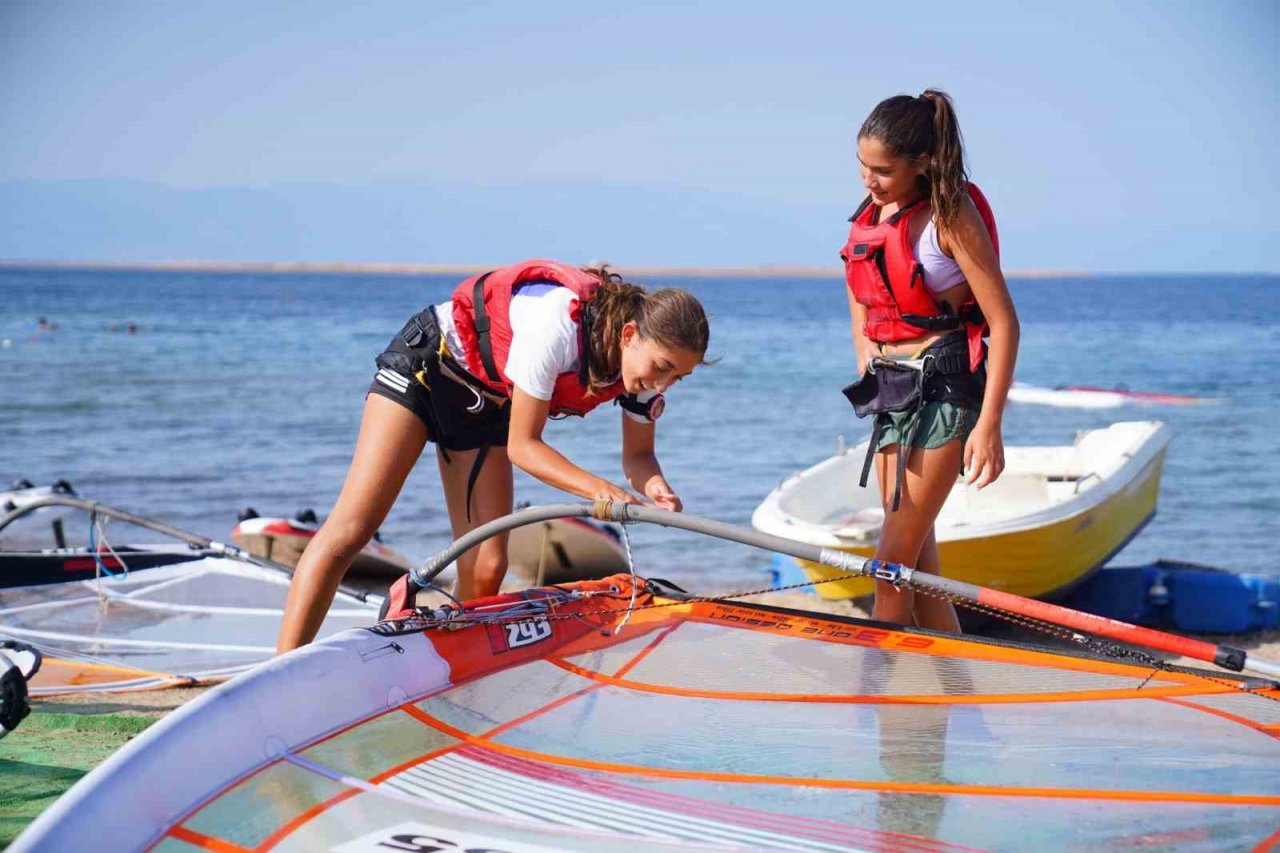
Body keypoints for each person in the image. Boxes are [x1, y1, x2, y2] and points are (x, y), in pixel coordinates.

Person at [277, 259, 711, 652]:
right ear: (629, 335)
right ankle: (282, 669)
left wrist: (655, 486)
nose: (664, 385)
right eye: (662, 367)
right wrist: (600, 490)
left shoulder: (640, 375)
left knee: (487, 564)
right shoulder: (557, 326)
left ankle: (452, 665)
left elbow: (639, 458)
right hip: (428, 370)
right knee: (351, 532)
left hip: (486, 405)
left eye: (679, 376)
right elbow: (525, 447)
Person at [840, 90, 1019, 631]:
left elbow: (1005, 322)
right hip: (893, 390)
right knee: (918, 567)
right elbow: (858, 291)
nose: (869, 181)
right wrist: (865, 360)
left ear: (923, 163)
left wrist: (989, 425)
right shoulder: (874, 214)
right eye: (862, 166)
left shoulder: (951, 217)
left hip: (947, 389)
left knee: (890, 569)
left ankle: (875, 699)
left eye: (883, 171)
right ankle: (949, 701)